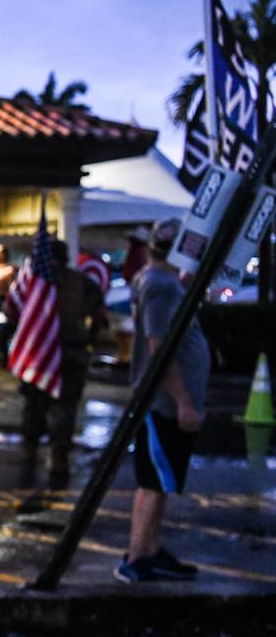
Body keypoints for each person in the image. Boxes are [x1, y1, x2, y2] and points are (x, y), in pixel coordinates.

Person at [116, 218, 207, 583]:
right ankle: (137, 557)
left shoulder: (156, 280)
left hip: (162, 402)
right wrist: (184, 400)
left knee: (161, 480)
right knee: (153, 483)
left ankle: (151, 550)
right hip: (163, 404)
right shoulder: (159, 285)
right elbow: (159, 347)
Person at [6, 239, 107, 486]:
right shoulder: (80, 283)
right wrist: (89, 340)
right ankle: (57, 456)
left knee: (35, 404)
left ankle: (31, 451)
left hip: (40, 353)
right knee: (64, 407)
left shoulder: (32, 283)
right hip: (69, 353)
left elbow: (11, 312)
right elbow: (99, 317)